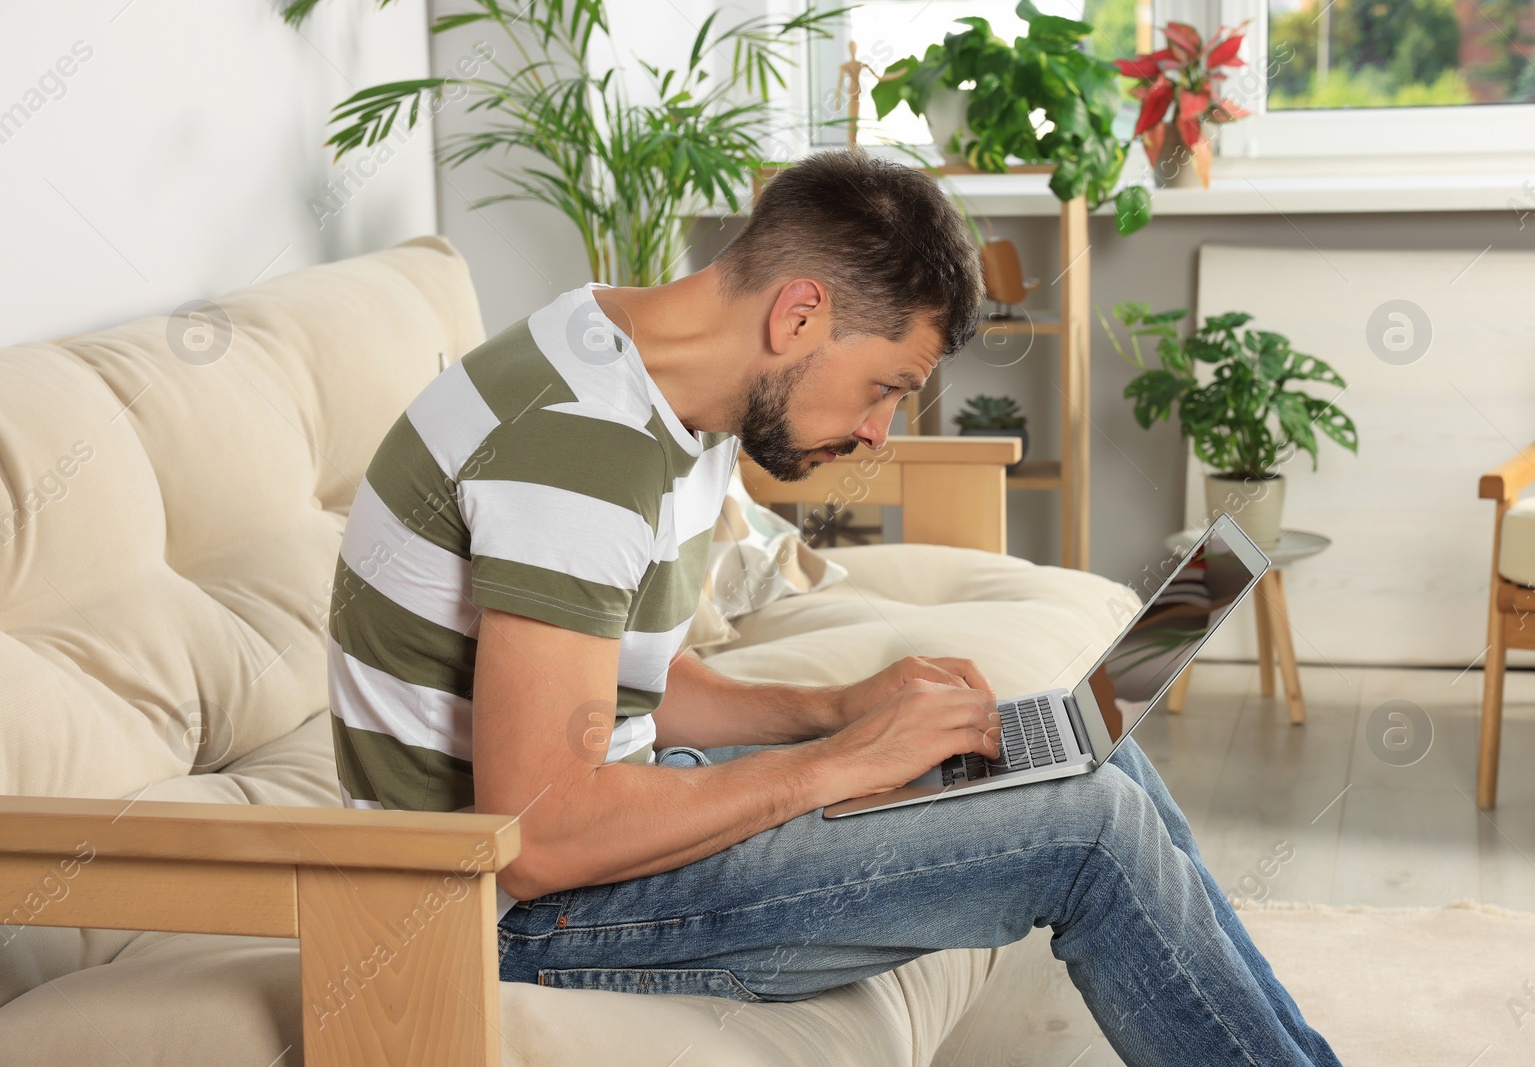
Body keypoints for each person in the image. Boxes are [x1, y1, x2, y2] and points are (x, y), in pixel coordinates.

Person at [325, 149, 1341, 1066]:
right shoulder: (577, 447)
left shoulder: (642, 365)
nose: (877, 432)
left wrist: (840, 707)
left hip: (607, 826)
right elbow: (540, 833)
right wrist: (837, 765)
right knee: (1087, 830)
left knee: (1078, 741)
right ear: (798, 314)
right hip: (507, 906)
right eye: (885, 386)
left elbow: (617, 678)